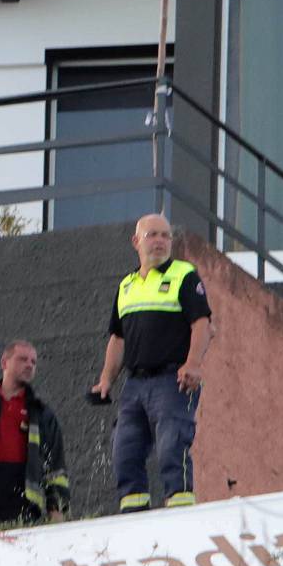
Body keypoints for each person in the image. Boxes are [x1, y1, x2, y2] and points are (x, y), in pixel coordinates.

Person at [90, 213, 211, 512]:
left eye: (165, 236)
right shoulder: (126, 286)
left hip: (173, 380)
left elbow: (202, 323)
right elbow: (117, 339)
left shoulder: (184, 275)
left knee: (172, 447)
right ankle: (134, 517)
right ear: (136, 241)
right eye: (152, 235)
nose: (159, 241)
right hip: (134, 384)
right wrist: (106, 379)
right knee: (125, 452)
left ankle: (181, 511)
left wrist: (193, 363)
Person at [0, 341, 71, 524]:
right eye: (23, 359)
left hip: (21, 498)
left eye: (33, 362)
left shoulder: (41, 415)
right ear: (4, 363)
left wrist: (56, 508)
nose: (30, 365)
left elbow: (55, 466)